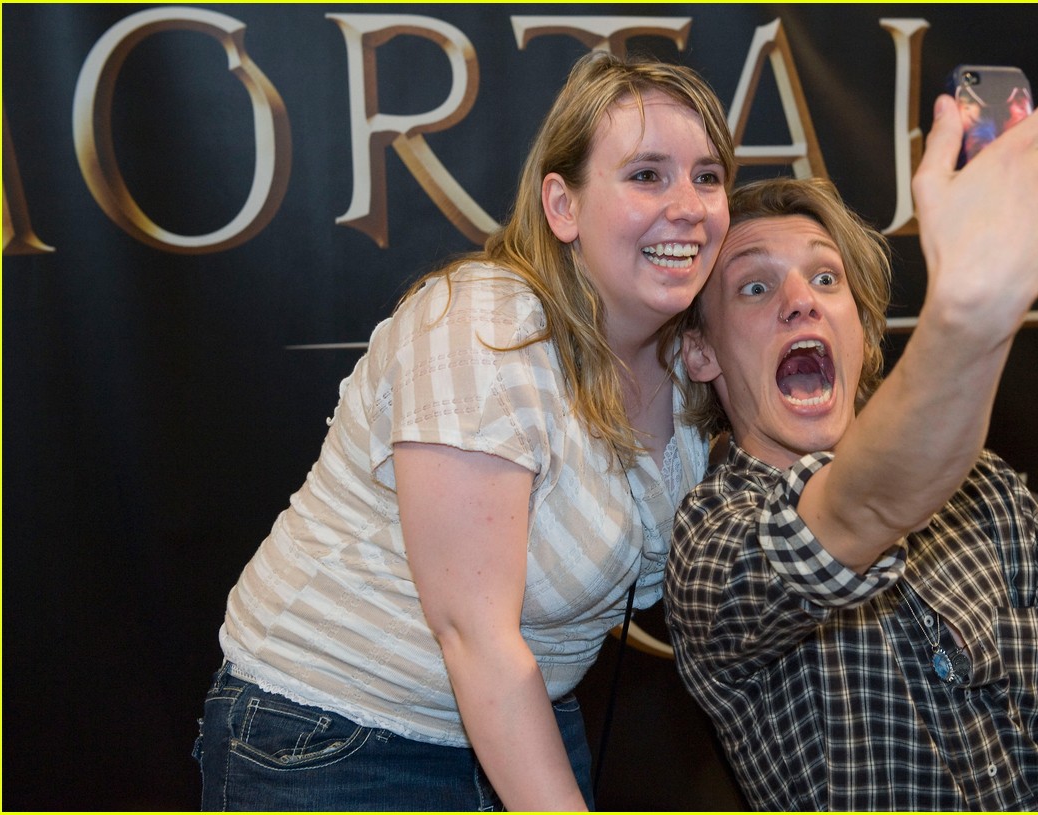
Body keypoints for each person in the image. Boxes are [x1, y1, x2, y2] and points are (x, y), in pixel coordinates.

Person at [194, 51, 735, 812]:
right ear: (563, 205)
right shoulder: (484, 328)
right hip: (333, 733)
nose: (688, 205)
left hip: (523, 714)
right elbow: (474, 636)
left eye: (708, 177)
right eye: (647, 174)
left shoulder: (686, 369)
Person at [664, 93, 1038, 810]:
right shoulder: (711, 541)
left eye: (826, 279)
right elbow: (861, 507)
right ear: (701, 351)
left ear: (861, 328)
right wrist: (975, 300)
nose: (802, 301)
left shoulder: (983, 488)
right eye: (756, 286)